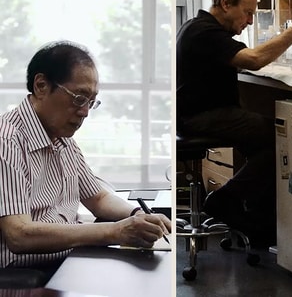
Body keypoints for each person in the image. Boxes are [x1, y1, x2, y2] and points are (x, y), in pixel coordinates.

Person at [0, 41, 171, 282]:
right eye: (79, 98)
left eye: (91, 101)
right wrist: (115, 231)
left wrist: (138, 214)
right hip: (26, 275)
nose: (85, 112)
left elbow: (98, 197)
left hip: (67, 259)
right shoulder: (7, 140)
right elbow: (19, 235)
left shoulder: (62, 138)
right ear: (41, 86)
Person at [176, 0, 292, 246]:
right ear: (226, 3)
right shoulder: (204, 32)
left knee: (264, 143)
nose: (250, 21)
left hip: (199, 114)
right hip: (200, 117)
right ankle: (226, 200)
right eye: (248, 13)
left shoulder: (198, 28)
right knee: (280, 138)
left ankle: (253, 217)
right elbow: (253, 59)